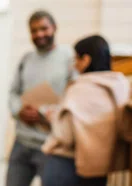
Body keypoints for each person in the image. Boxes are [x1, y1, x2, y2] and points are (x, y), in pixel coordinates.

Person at [41, 35, 130, 186]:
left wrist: (52, 117)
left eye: (76, 59)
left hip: (66, 166)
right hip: (99, 168)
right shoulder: (121, 85)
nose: (75, 65)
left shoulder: (80, 88)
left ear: (86, 60)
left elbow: (65, 135)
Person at [6, 10, 76, 186]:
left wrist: (43, 113)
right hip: (22, 142)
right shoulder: (26, 59)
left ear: (54, 28)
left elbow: (74, 98)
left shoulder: (69, 58)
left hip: (52, 144)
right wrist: (18, 111)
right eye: (34, 30)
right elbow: (13, 92)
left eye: (44, 28)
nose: (39, 34)